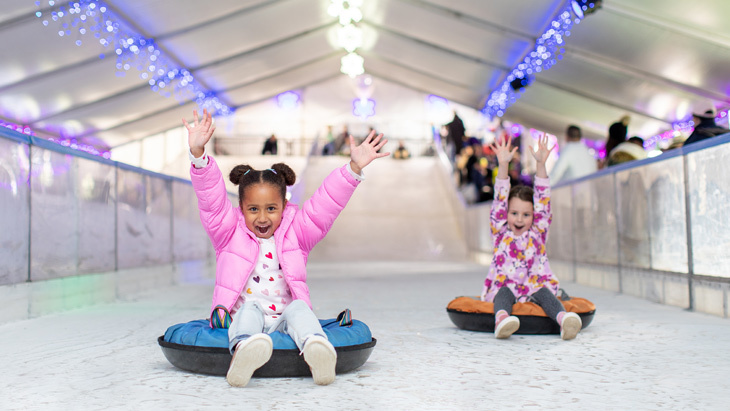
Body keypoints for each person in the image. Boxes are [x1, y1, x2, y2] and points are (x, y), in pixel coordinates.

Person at [183, 109, 389, 387]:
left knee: (299, 309)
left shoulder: (297, 231)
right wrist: (198, 154)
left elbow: (325, 205)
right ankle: (245, 351)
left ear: (284, 207)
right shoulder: (228, 230)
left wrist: (352, 169)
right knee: (249, 310)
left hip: (284, 321)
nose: (263, 217)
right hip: (245, 319)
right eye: (253, 209)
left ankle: (317, 348)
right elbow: (211, 199)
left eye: (271, 209)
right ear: (241, 209)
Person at [482, 135, 582, 340]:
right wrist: (503, 164)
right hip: (506, 285)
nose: (519, 219)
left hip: (534, 285)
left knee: (545, 293)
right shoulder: (500, 232)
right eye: (514, 213)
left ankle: (564, 320)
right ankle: (502, 320)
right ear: (505, 214)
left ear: (534, 217)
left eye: (526, 215)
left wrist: (540, 164)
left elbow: (543, 201)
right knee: (503, 294)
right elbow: (500, 197)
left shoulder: (537, 232)